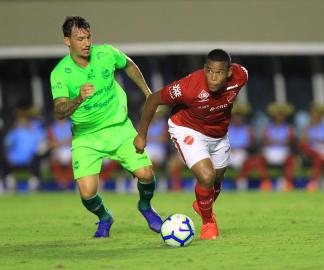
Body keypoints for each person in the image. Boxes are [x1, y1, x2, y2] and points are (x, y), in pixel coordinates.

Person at [50, 16, 162, 238]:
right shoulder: (60, 73)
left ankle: (146, 207)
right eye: (80, 38)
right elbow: (59, 111)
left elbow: (128, 64)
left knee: (146, 174)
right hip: (86, 136)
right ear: (67, 41)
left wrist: (148, 93)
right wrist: (78, 99)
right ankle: (104, 217)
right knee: (88, 193)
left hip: (118, 127)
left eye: (88, 37)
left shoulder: (106, 53)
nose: (86, 42)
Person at [135, 49, 248, 240]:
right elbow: (154, 99)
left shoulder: (241, 76)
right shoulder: (189, 87)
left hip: (219, 135)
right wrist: (142, 135)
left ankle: (202, 204)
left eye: (219, 72)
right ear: (204, 69)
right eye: (209, 71)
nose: (213, 77)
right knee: (207, 176)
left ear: (229, 73)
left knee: (216, 182)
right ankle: (208, 222)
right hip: (188, 129)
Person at [299, 105, 324, 192]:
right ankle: (314, 182)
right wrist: (306, 130)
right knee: (312, 152)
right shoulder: (307, 128)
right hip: (312, 152)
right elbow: (303, 143)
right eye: (312, 115)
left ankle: (314, 182)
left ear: (321, 116)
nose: (314, 117)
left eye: (316, 114)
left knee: (318, 157)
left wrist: (315, 141)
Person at [262, 103, 296, 192]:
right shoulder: (268, 128)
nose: (280, 117)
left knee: (291, 159)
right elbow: (265, 141)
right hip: (270, 151)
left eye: (281, 115)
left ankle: (287, 182)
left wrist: (273, 141)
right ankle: (266, 182)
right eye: (278, 115)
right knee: (259, 159)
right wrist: (280, 141)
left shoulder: (288, 128)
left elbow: (289, 141)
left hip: (283, 151)